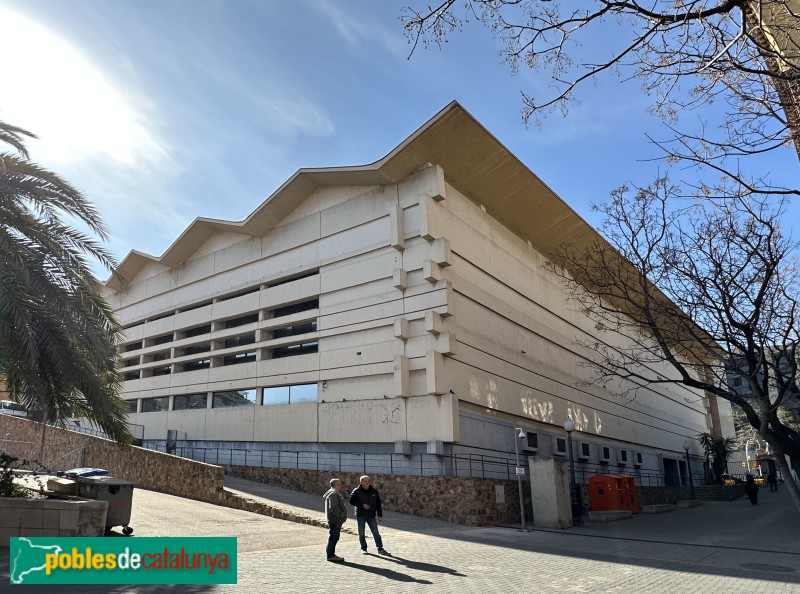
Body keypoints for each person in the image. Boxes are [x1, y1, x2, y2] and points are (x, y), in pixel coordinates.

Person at [349, 475, 389, 555]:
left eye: (368, 481)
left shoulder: (374, 491)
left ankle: (380, 549)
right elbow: (351, 501)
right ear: (361, 482)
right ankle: (363, 548)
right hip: (361, 515)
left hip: (371, 515)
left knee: (376, 532)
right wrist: (362, 505)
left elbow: (378, 503)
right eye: (365, 481)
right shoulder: (356, 491)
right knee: (361, 533)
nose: (367, 482)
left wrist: (379, 514)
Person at [323, 478, 348, 563]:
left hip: (334, 520)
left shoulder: (332, 493)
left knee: (334, 537)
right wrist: (342, 515)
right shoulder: (333, 494)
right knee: (334, 537)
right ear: (336, 485)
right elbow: (333, 507)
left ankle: (331, 554)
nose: (341, 486)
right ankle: (331, 555)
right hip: (335, 520)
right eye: (339, 484)